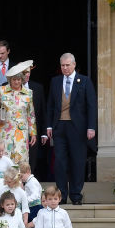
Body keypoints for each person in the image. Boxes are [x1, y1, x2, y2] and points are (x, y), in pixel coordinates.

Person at [45, 53, 97, 205]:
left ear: (74, 65)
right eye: (63, 65)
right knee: (60, 163)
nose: (65, 68)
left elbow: (91, 106)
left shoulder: (85, 81)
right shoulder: (55, 81)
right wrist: (49, 125)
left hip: (78, 128)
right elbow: (50, 105)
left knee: (77, 161)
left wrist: (91, 127)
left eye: (68, 65)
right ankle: (61, 195)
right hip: (59, 127)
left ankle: (76, 195)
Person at [0, 61, 36, 165]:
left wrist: (33, 133)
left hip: (21, 132)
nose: (16, 82)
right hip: (5, 131)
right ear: (9, 80)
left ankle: (20, 181)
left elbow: (31, 114)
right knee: (4, 158)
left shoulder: (28, 93)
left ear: (22, 79)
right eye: (14, 79)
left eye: (18, 79)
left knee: (21, 160)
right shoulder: (2, 90)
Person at [22, 67, 48, 180]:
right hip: (13, 130)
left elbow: (43, 111)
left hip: (33, 131)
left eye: (28, 72)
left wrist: (43, 132)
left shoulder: (38, 87)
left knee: (32, 160)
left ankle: (29, 183)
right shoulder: (5, 87)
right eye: (24, 72)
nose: (27, 75)